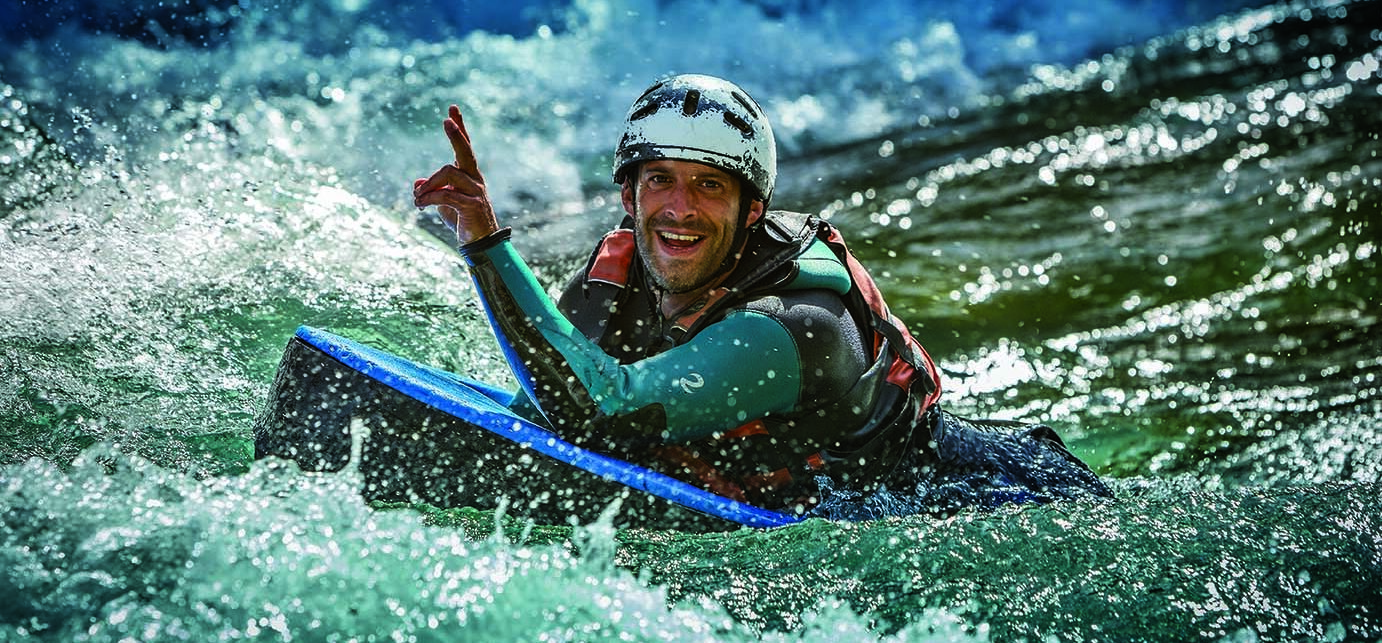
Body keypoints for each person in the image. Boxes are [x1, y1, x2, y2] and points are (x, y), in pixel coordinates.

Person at [412, 74, 1108, 516]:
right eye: (660, 179)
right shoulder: (615, 275)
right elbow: (552, 403)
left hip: (995, 505)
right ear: (628, 194)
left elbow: (603, 410)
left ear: (751, 209)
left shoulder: (795, 327)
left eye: (710, 184)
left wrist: (485, 243)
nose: (680, 208)